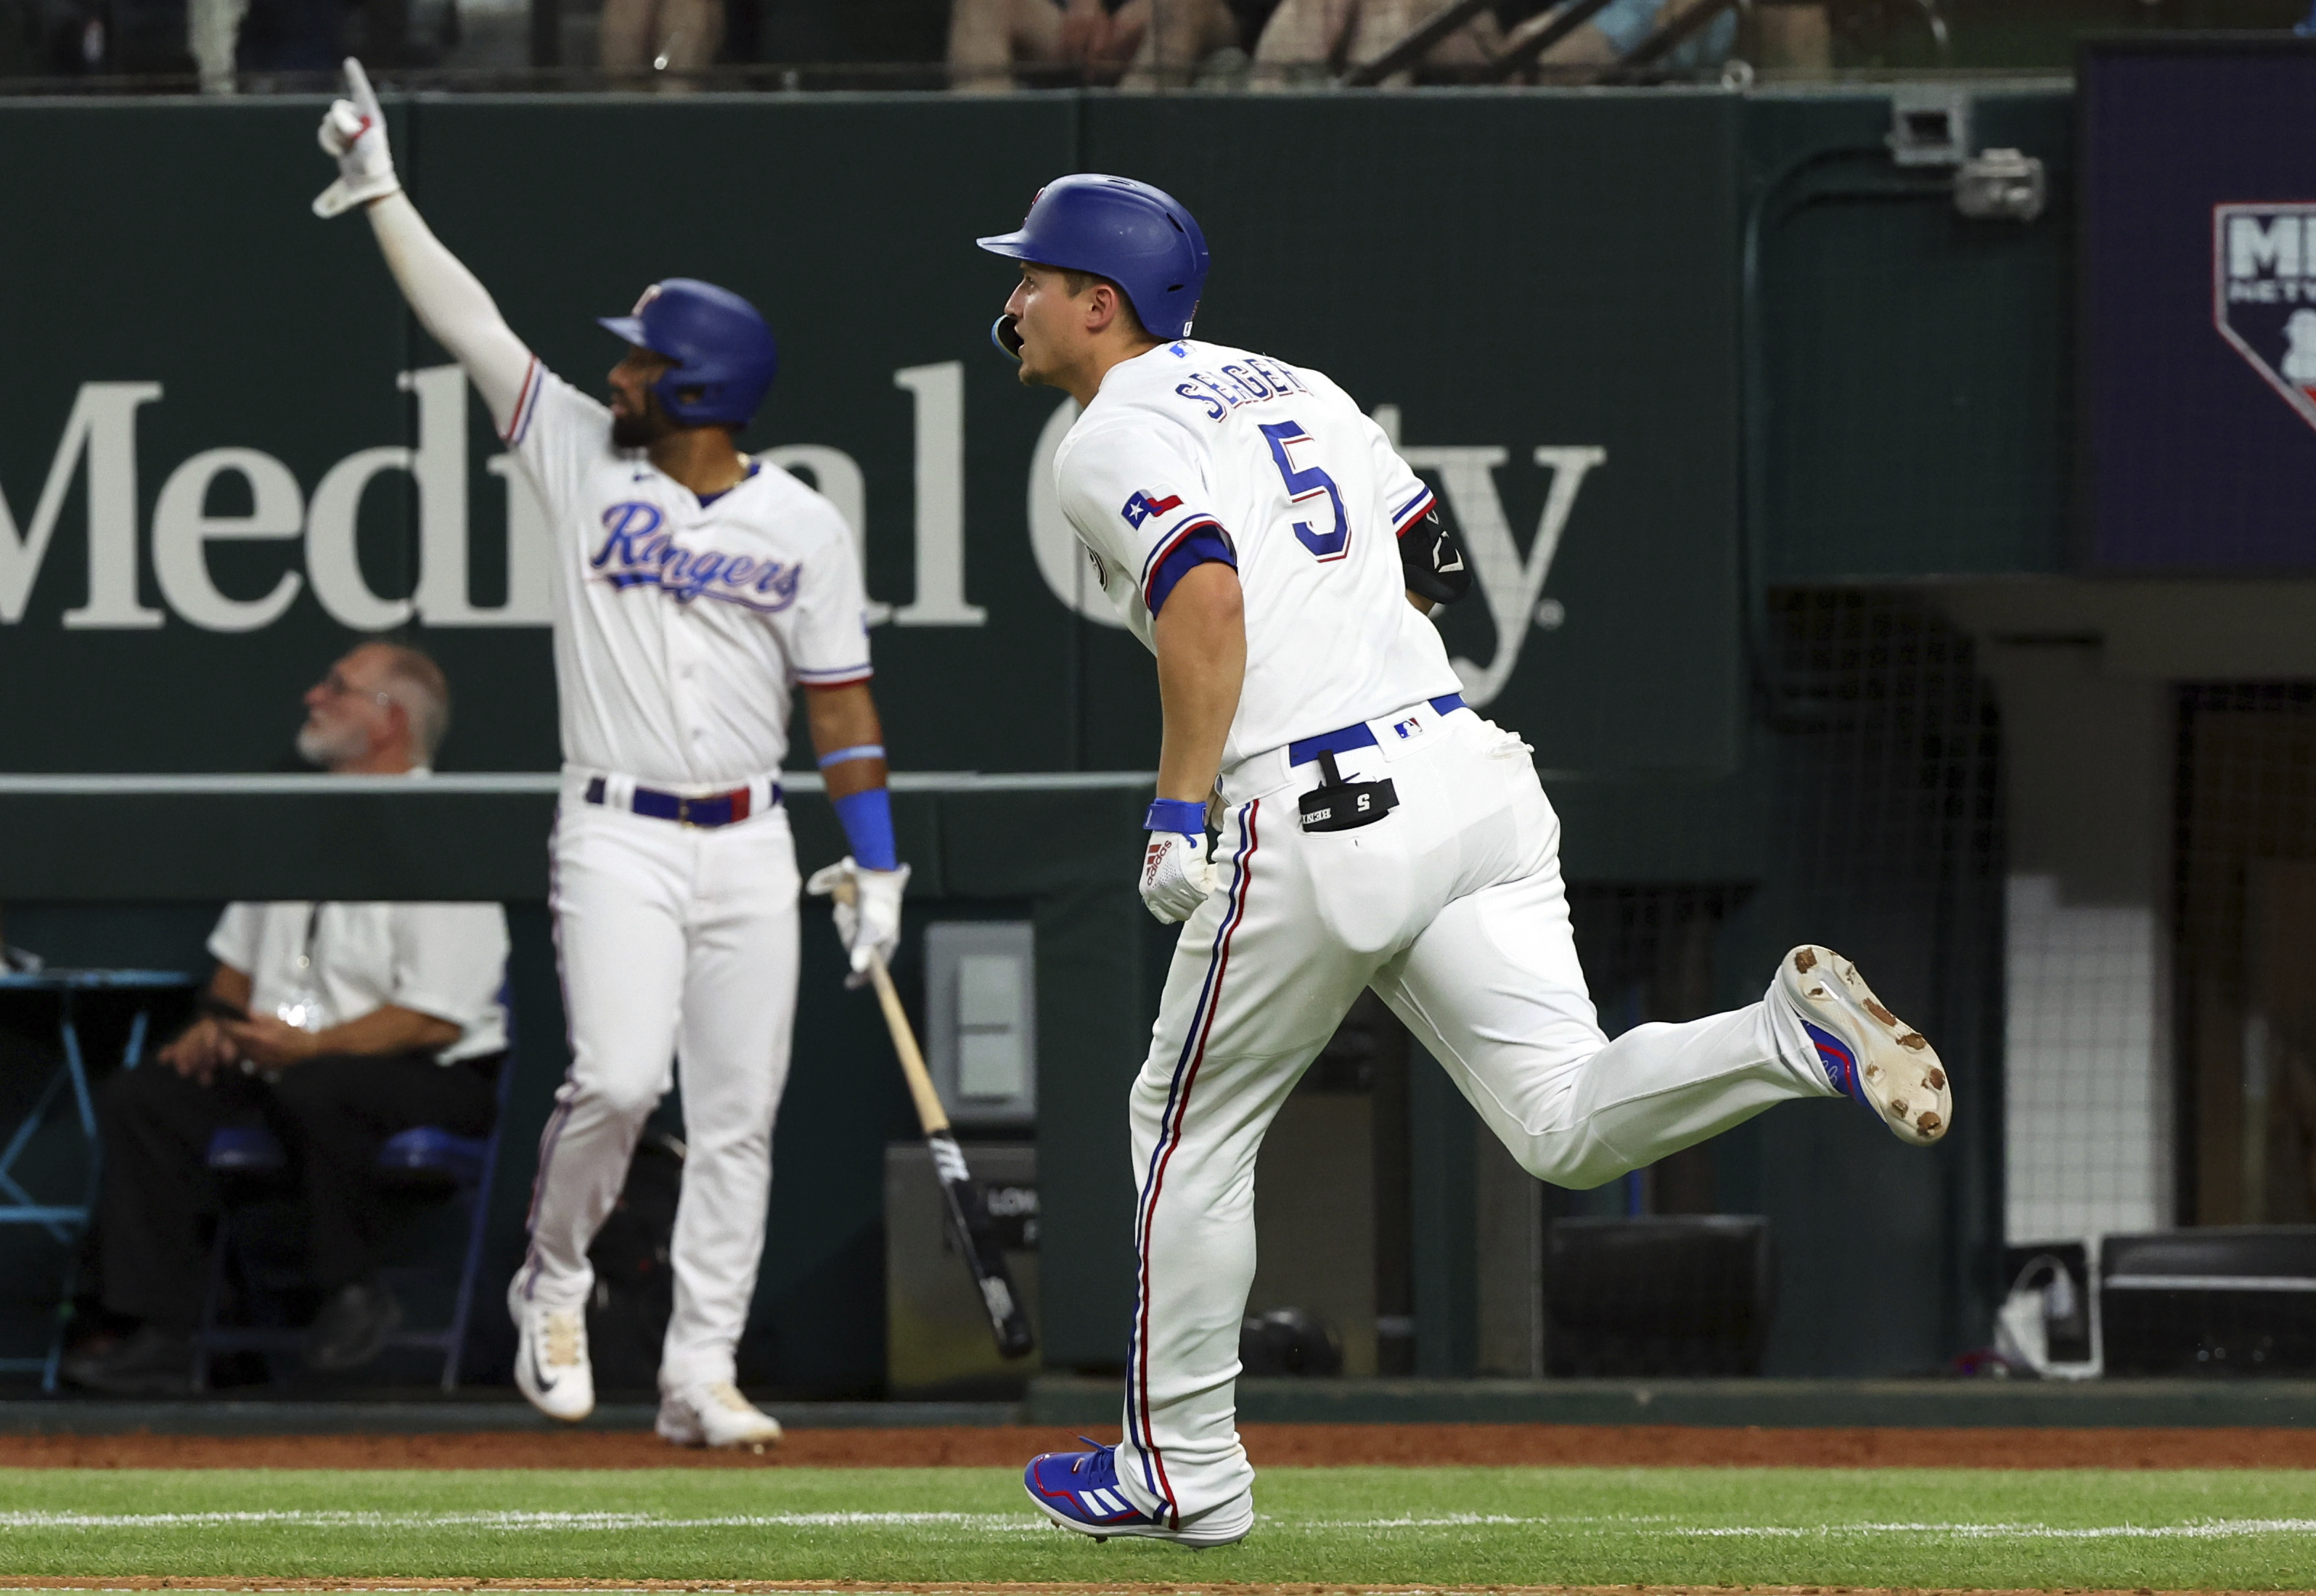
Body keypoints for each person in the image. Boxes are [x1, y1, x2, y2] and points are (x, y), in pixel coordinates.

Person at [975, 175, 1953, 1546]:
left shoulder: (1105, 435)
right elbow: (1426, 546)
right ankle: (1782, 1036)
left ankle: (1181, 1462)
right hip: (1469, 772)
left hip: (1316, 805)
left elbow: (1204, 595)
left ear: (1103, 300)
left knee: (1184, 1130)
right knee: (1562, 1121)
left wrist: (1177, 808)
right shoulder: (1295, 386)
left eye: (1034, 276)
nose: (1010, 298)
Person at [306, 61, 909, 1449]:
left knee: (740, 1116)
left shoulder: (804, 526)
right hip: (617, 829)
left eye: (639, 360)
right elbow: (475, 325)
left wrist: (875, 867)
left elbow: (843, 708)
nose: (617, 372)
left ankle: (701, 1371)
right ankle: (553, 1277)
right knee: (621, 1079)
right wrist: (383, 188)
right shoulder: (582, 453)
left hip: (751, 836)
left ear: (694, 387)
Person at [64, 643, 510, 1396]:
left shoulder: (442, 828)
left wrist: (310, 1047)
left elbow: (433, 1017)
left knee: (320, 1090)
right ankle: (157, 1332)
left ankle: (352, 1294)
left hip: (418, 1070)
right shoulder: (297, 822)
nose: (312, 695)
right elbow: (240, 958)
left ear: (387, 719)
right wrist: (220, 1019)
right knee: (148, 1098)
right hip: (286, 1062)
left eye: (337, 687)